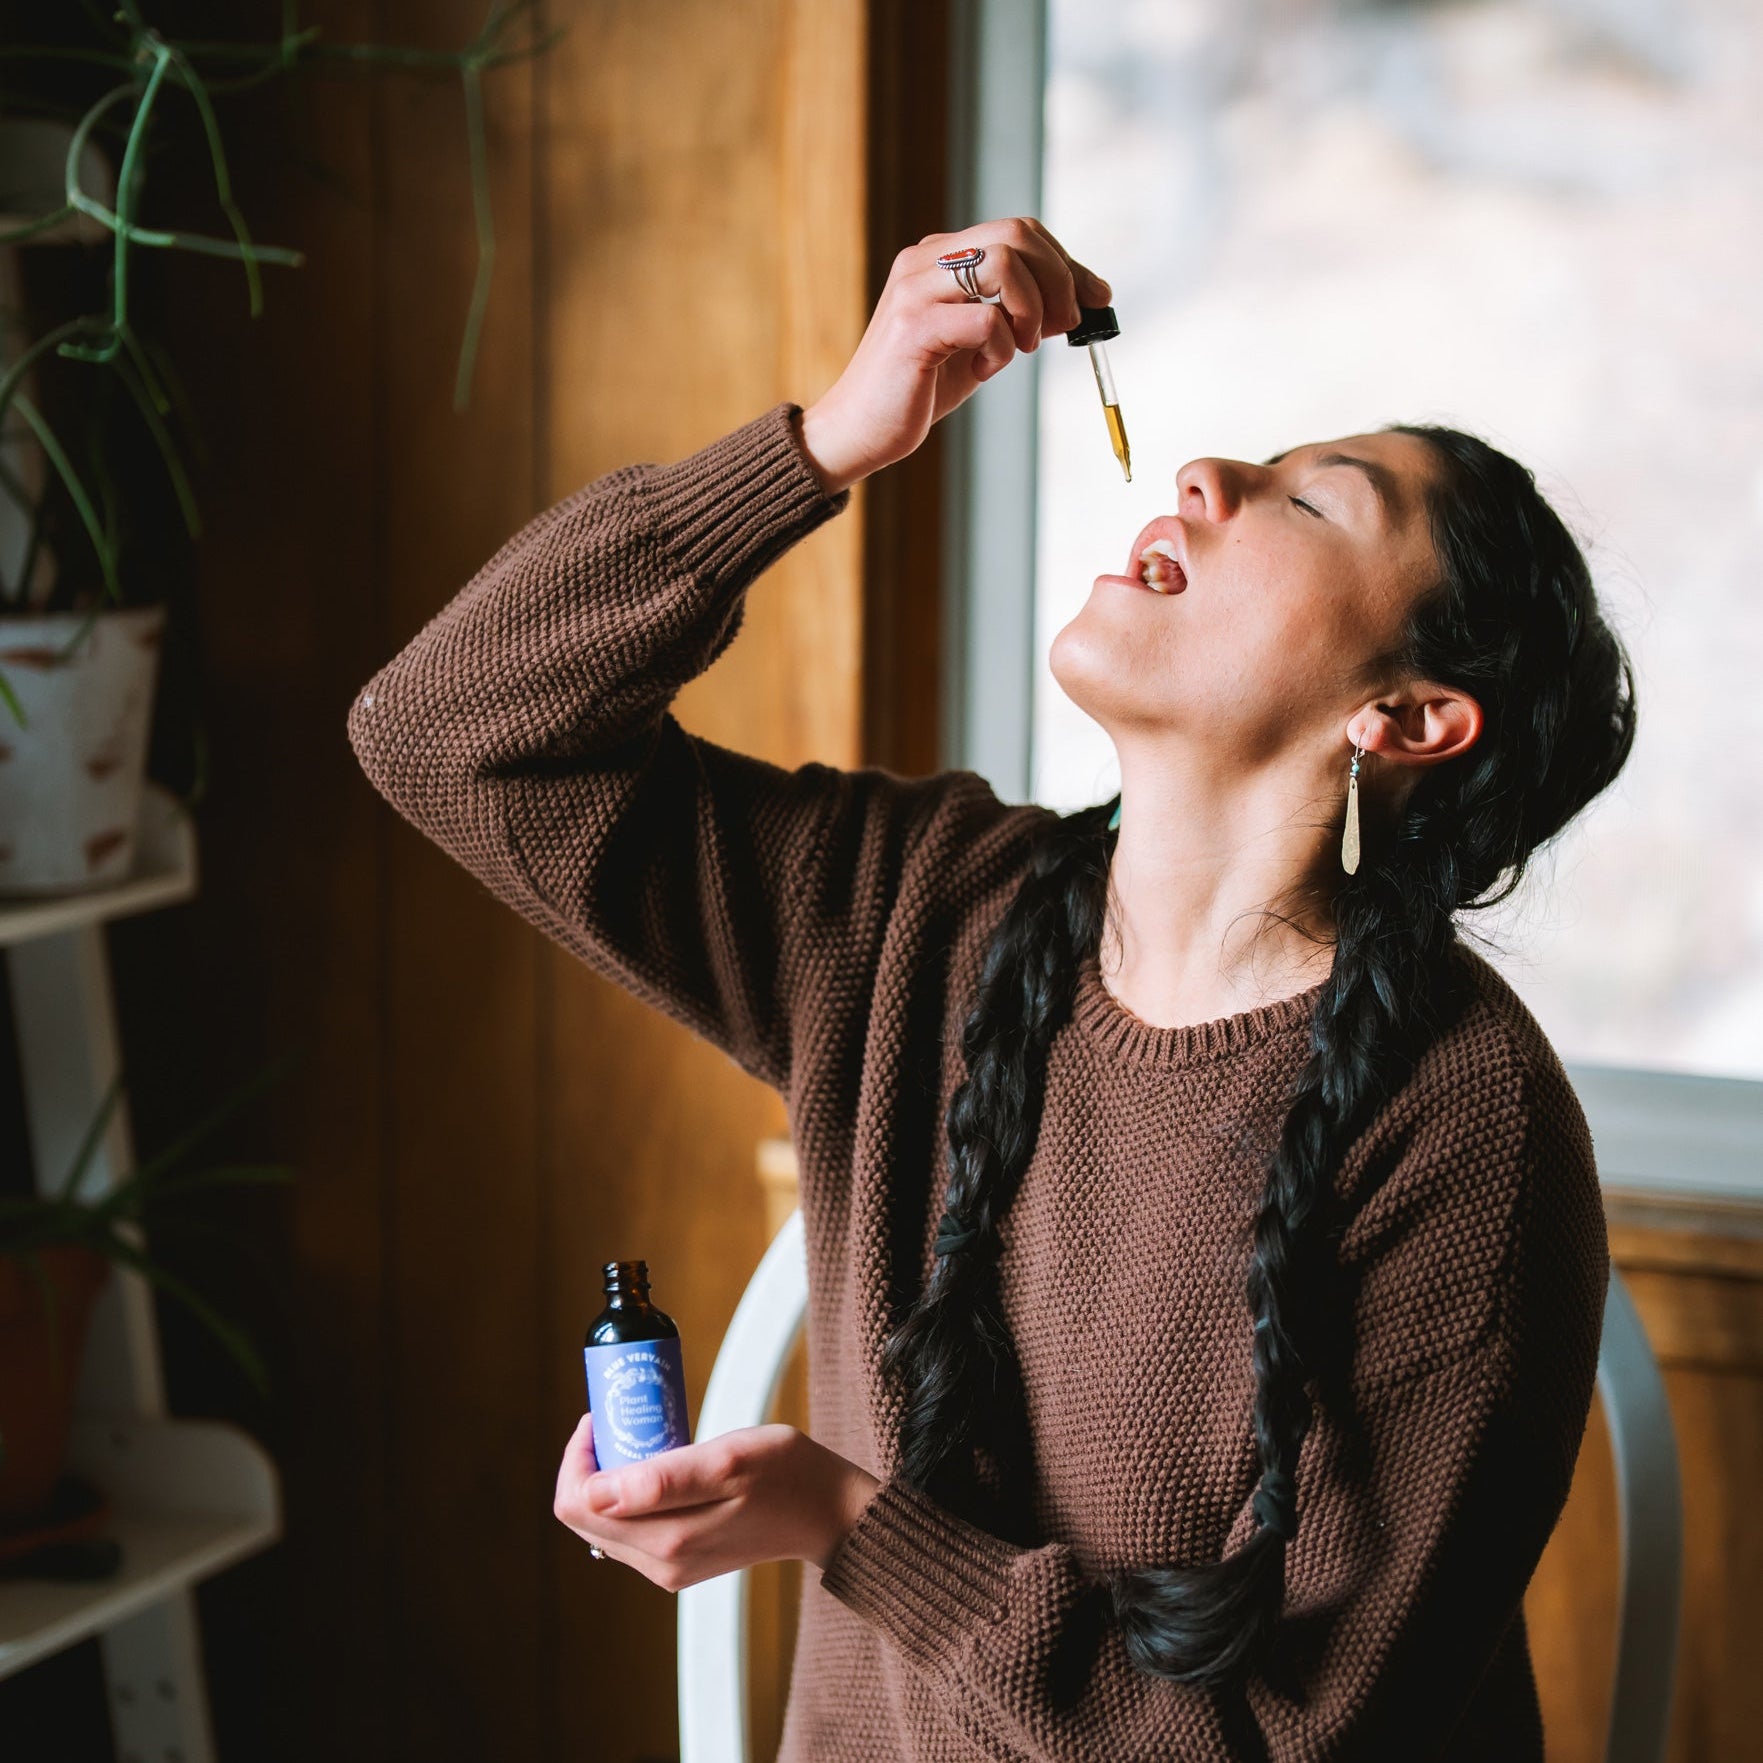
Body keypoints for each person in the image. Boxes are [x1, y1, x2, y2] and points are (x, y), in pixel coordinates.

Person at [347, 216, 1636, 1760]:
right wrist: (824, 445)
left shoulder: (1470, 1132)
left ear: (1409, 719)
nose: (1204, 476)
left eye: (1308, 498)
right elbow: (446, 726)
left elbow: (1293, 1741)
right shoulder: (918, 914)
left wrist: (847, 1522)